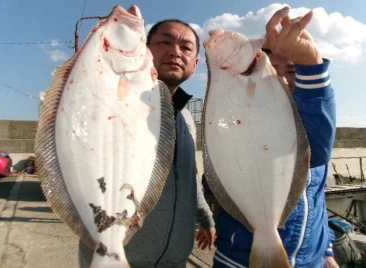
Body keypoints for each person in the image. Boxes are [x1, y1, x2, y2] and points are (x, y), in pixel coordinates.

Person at [79, 19, 216, 267]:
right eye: (165, 42)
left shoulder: (185, 118)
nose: (175, 52)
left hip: (175, 259)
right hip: (115, 256)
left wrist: (205, 219)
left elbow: (190, 178)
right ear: (144, 48)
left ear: (195, 64)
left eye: (186, 47)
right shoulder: (114, 102)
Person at [213, 7, 339, 268]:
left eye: (294, 70)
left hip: (311, 262)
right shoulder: (246, 121)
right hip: (239, 260)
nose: (281, 77)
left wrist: (327, 252)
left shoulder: (313, 128)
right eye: (271, 69)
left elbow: (317, 199)